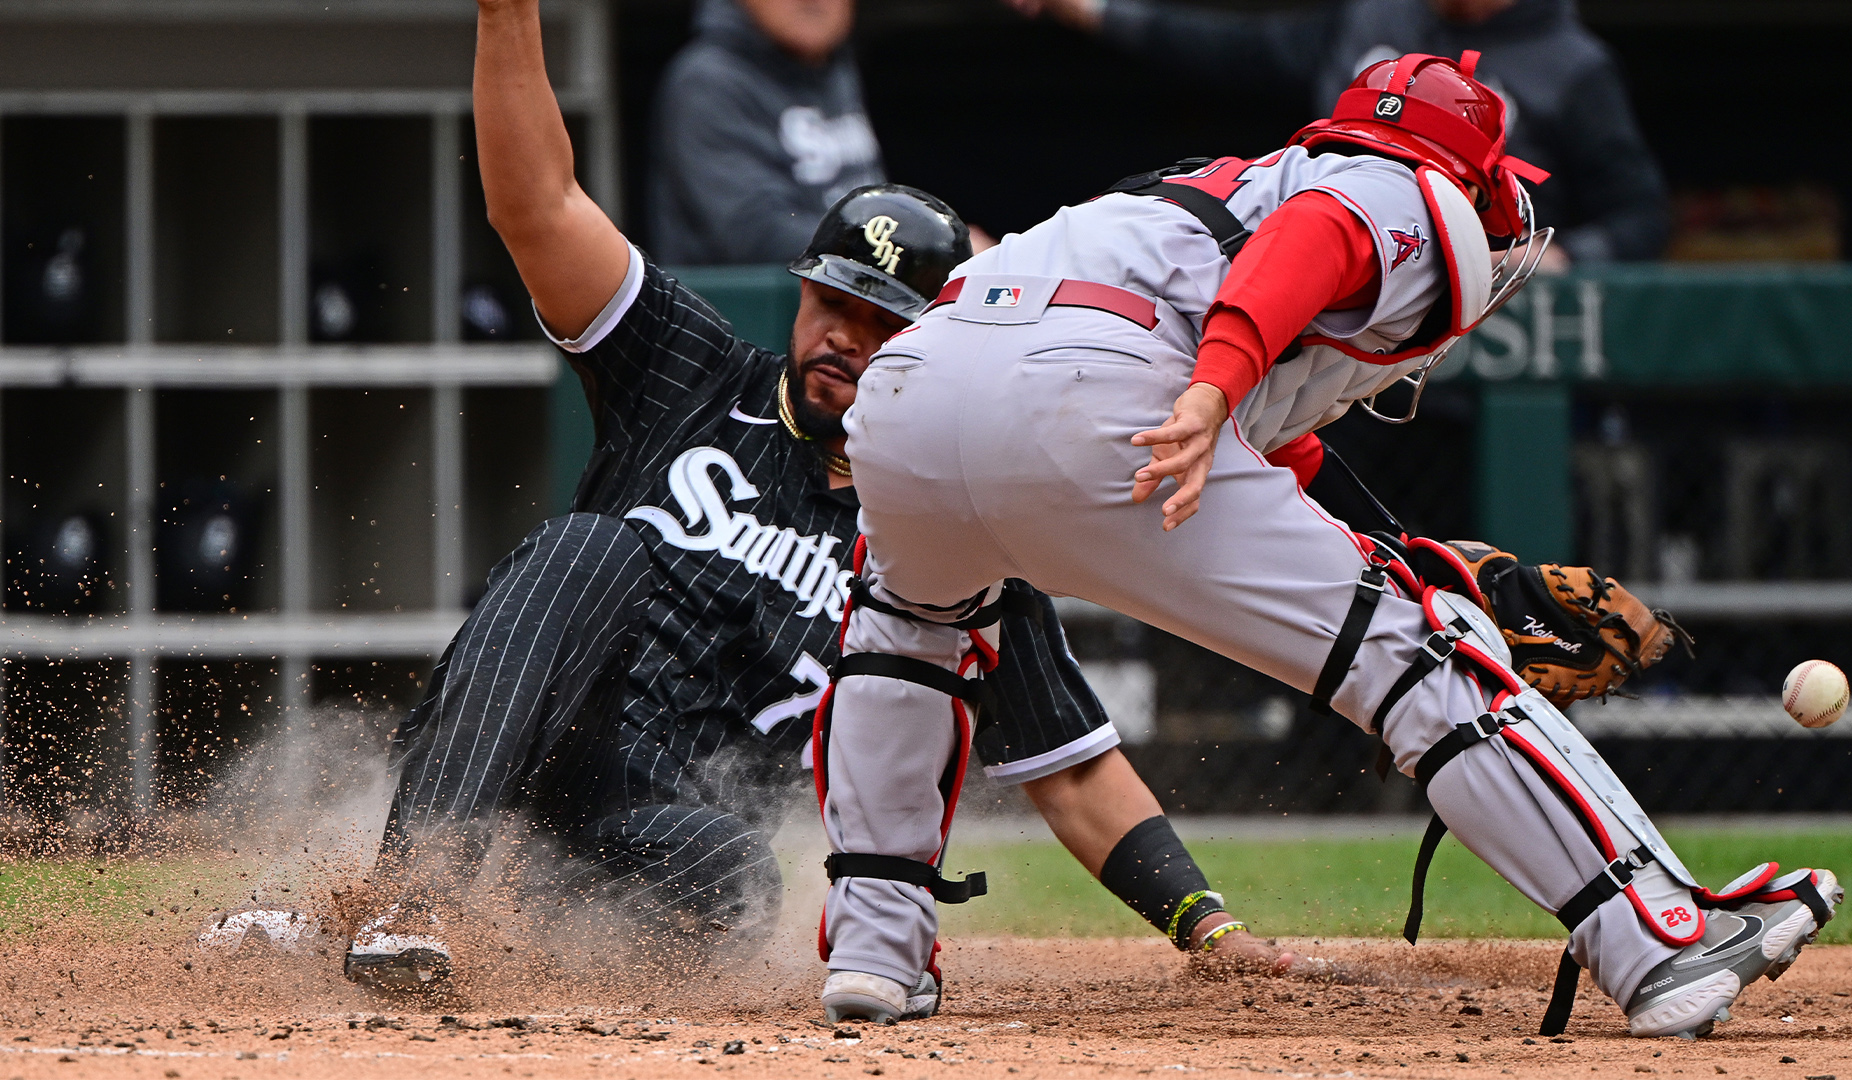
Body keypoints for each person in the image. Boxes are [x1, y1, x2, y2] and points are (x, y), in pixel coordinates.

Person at [263, 0, 1295, 1005]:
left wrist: (1209, 925)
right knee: (593, 547)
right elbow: (538, 207)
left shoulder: (948, 540)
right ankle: (401, 898)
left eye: (880, 319)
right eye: (829, 301)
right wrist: (504, 13)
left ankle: (472, 938)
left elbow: (1074, 773)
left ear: (940, 341)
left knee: (738, 878)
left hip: (640, 820)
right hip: (524, 733)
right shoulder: (692, 372)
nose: (842, 334)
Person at [808, 51, 1841, 1038]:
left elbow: (1285, 488)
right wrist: (1217, 382)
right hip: (1103, 392)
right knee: (1418, 657)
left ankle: (874, 955)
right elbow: (1316, 240)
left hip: (915, 393)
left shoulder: (1199, 195)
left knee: (906, 636)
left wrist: (1418, 557)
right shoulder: (1397, 183)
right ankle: (1661, 940)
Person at [1007, 0, 1667, 268]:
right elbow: (1237, 51)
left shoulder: (1574, 65)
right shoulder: (1374, 15)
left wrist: (1562, 258)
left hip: (1483, 332)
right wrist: (1094, 11)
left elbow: (1641, 213)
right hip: (1335, 301)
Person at [647, 0, 885, 264]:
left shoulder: (836, 70)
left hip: (842, 289)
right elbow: (756, 234)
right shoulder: (708, 81)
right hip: (742, 303)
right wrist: (886, 251)